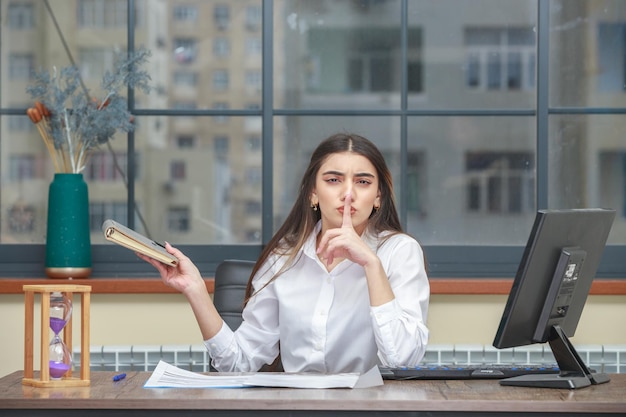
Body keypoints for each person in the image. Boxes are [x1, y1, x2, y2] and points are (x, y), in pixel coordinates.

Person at [138, 132, 430, 374]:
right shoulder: (283, 257)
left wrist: (371, 263)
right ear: (313, 193)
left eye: (363, 182)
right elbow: (237, 363)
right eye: (333, 180)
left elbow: (403, 361)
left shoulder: (400, 252)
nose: (349, 193)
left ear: (378, 196)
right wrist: (196, 290)